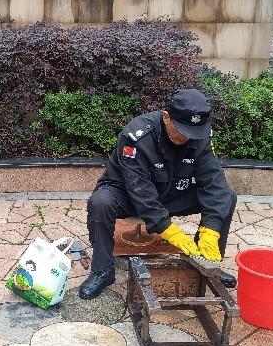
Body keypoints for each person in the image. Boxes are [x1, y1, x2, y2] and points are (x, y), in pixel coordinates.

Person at [79, 88, 237, 299]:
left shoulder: (199, 135)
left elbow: (214, 182)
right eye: (182, 130)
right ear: (166, 117)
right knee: (100, 202)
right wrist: (168, 230)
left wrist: (211, 228)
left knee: (226, 198)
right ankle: (102, 271)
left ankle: (206, 262)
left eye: (193, 132)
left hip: (170, 193)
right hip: (128, 194)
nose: (187, 137)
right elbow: (139, 189)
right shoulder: (136, 136)